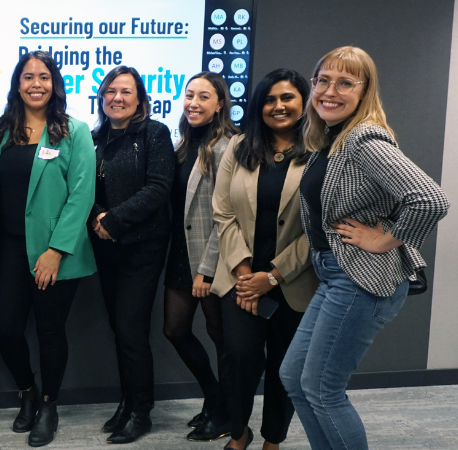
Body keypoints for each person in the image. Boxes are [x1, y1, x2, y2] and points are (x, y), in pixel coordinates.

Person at [279, 46, 449, 450]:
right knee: (295, 378)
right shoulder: (330, 140)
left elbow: (430, 198)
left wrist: (386, 238)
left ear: (365, 90)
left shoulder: (363, 139)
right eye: (322, 80)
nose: (329, 91)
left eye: (345, 83)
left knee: (322, 389)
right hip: (335, 274)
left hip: (361, 278)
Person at [0, 50, 96, 447]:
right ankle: (27, 393)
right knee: (5, 328)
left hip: (53, 253)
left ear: (55, 84)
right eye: (28, 76)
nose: (36, 83)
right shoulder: (1, 130)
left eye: (44, 77)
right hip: (8, 249)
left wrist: (56, 250)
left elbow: (82, 194)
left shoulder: (74, 131)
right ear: (17, 84)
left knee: (50, 331)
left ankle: (49, 406)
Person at [212, 69, 319, 450]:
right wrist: (245, 274)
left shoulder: (321, 152)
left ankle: (273, 440)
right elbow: (222, 213)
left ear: (303, 102)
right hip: (240, 281)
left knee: (285, 370)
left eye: (287, 98)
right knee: (237, 359)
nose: (278, 106)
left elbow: (320, 227)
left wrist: (271, 277)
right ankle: (239, 432)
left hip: (295, 282)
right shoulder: (239, 147)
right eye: (270, 99)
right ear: (259, 105)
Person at [85, 66, 174, 445]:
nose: (116, 98)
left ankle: (142, 412)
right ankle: (126, 402)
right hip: (106, 249)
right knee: (118, 328)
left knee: (131, 330)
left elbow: (158, 188)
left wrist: (114, 220)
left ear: (139, 99)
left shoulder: (154, 133)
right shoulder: (94, 137)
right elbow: (82, 189)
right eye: (110, 91)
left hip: (143, 246)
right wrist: (95, 218)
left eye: (125, 91)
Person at [163, 71, 239, 442]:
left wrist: (206, 271)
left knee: (219, 336)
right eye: (189, 94)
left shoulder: (229, 146)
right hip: (180, 253)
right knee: (174, 330)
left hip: (213, 259)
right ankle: (214, 398)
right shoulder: (183, 143)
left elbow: (227, 215)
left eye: (204, 96)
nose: (193, 102)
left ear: (220, 103)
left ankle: (226, 413)